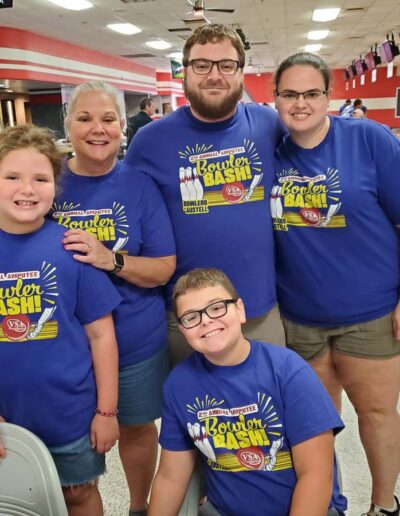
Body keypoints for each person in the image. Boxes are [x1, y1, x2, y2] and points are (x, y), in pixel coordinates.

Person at [272, 52, 400, 516]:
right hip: (299, 316)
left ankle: (384, 505)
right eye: (290, 94)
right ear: (277, 99)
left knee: (377, 414)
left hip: (371, 311)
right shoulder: (270, 150)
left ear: (329, 97)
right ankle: (329, 503)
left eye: (311, 93)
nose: (301, 103)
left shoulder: (369, 139)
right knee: (315, 426)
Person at [50, 81, 176, 516]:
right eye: (84, 118)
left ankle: (137, 507)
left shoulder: (140, 185)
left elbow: (163, 267)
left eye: (108, 119)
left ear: (124, 128)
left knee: (137, 430)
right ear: (67, 124)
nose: (97, 129)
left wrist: (111, 260)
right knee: (72, 444)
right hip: (62, 345)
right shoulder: (46, 182)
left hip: (134, 343)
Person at [125, 24, 286, 364]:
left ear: (241, 71)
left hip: (258, 310)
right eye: (201, 65)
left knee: (271, 412)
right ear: (185, 71)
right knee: (193, 414)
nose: (214, 75)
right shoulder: (149, 141)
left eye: (226, 65)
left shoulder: (268, 124)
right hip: (184, 316)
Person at [149, 268, 347, 516]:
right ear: (182, 328)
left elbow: (316, 474)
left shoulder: (289, 371)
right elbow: (170, 477)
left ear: (240, 310)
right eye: (191, 317)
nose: (206, 320)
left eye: (217, 307)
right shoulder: (178, 385)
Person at [0, 124, 121, 516]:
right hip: (7, 420)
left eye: (40, 178)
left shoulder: (72, 246)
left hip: (72, 416)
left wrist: (107, 412)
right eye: (12, 177)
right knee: (17, 501)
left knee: (78, 495)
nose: (27, 189)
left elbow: (102, 336)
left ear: (56, 185)